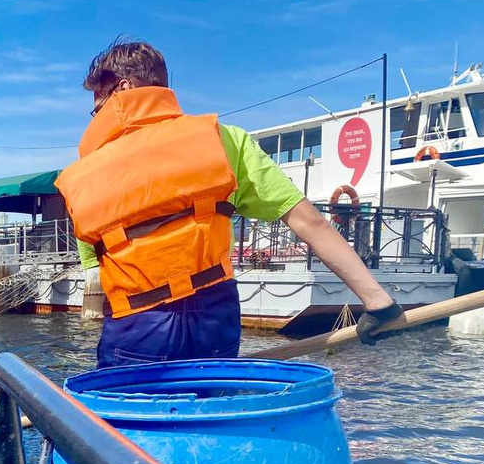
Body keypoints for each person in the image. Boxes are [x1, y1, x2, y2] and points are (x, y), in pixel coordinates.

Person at [54, 38, 405, 368]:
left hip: (137, 329)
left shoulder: (86, 173)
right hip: (214, 320)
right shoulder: (224, 140)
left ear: (122, 89)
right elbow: (307, 220)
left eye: (97, 109)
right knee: (210, 405)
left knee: (126, 413)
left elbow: (96, 272)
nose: (96, 119)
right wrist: (378, 302)